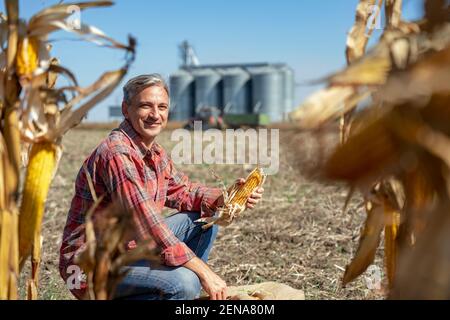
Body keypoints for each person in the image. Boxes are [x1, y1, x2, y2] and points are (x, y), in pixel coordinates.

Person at [59, 74, 264, 300]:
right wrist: (202, 270)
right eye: (146, 106)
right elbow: (145, 221)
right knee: (185, 283)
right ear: (126, 109)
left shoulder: (155, 153)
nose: (155, 115)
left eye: (162, 107)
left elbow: (183, 191)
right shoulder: (116, 153)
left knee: (203, 222)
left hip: (124, 249)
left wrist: (226, 198)